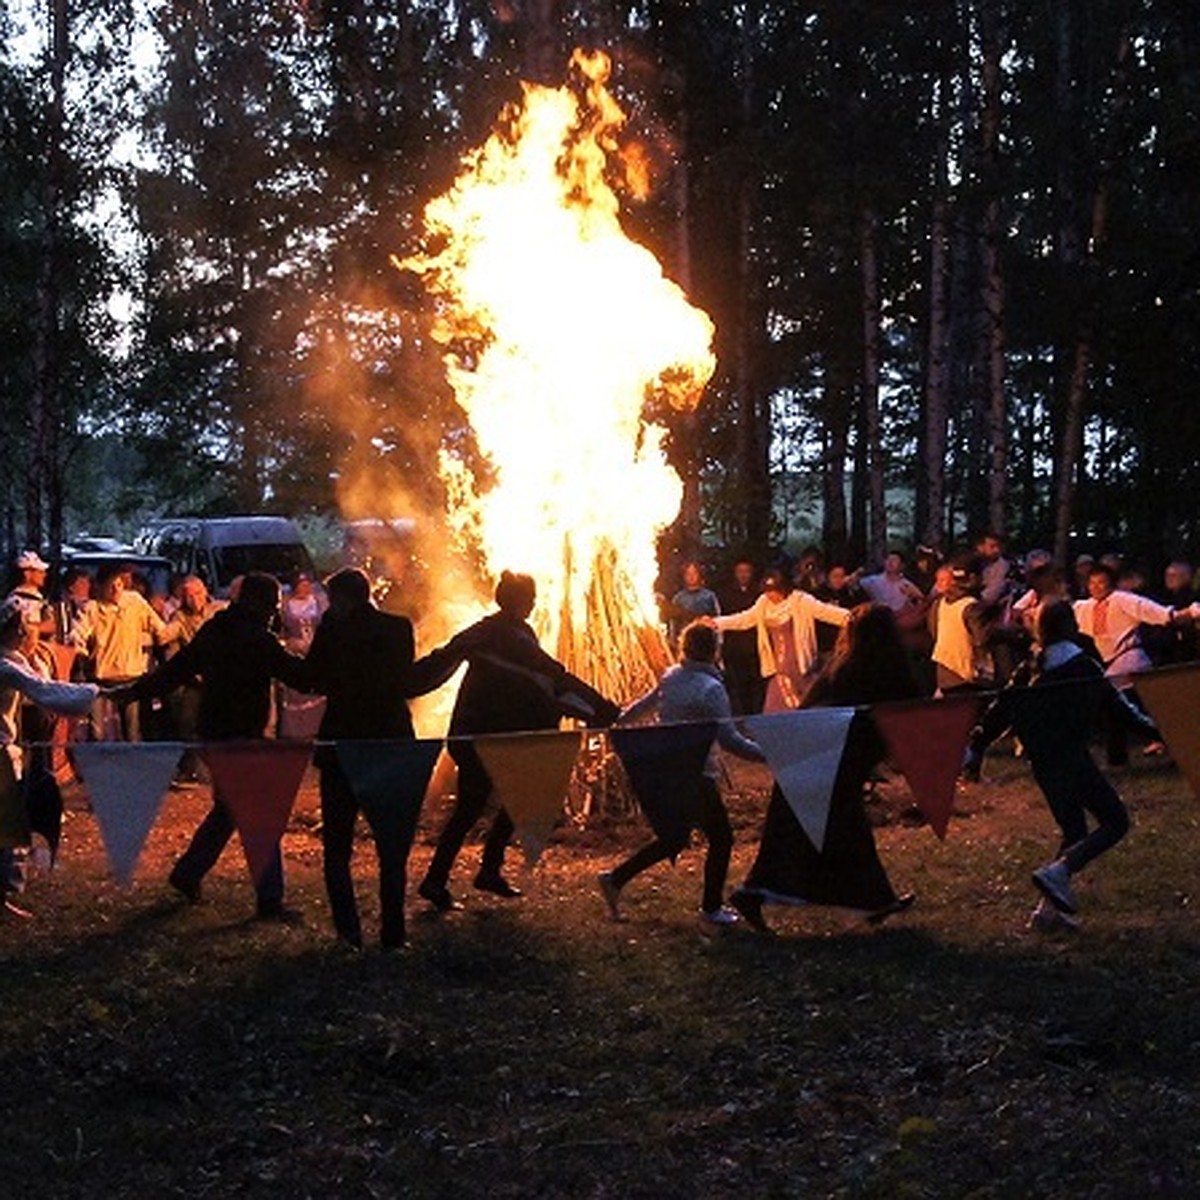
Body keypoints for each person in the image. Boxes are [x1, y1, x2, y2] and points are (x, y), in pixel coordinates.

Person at [111, 572, 310, 920]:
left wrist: (136, 691)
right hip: (242, 738)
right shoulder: (257, 639)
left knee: (228, 811)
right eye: (273, 605)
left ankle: (187, 874)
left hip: (215, 734)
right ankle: (270, 901)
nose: (274, 613)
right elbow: (300, 676)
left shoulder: (216, 630)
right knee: (260, 815)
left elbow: (175, 670)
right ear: (261, 603)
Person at [417, 571, 619, 912]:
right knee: (475, 807)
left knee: (508, 800)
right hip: (482, 737)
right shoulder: (503, 636)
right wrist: (598, 705)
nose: (535, 603)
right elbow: (554, 675)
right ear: (515, 600)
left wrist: (587, 708)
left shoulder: (504, 632)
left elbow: (537, 684)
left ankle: (476, 873)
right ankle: (445, 879)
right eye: (530, 597)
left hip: (497, 735)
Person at [964, 600, 1156, 932]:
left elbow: (1001, 710)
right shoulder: (1083, 668)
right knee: (1115, 821)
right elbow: (1121, 710)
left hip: (1043, 762)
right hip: (1071, 758)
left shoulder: (1031, 667)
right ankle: (1059, 872)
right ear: (1071, 627)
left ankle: (1048, 911)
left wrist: (976, 745)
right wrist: (1161, 729)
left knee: (1074, 830)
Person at [728, 604, 920, 933]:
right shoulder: (881, 670)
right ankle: (753, 893)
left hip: (814, 757)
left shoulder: (842, 668)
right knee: (814, 832)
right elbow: (912, 709)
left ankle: (874, 900)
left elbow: (806, 708)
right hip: (826, 761)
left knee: (839, 831)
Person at [302, 567, 448, 950]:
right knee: (392, 844)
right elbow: (405, 680)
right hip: (390, 741)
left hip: (342, 744)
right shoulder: (398, 628)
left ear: (343, 600)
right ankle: (393, 932)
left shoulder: (334, 629)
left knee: (337, 846)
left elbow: (311, 676)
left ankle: (348, 932)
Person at [597, 621, 764, 927]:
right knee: (722, 838)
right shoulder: (712, 689)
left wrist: (616, 721)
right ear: (714, 651)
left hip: (670, 770)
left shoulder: (671, 677)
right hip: (698, 774)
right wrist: (767, 755)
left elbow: (642, 707)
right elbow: (729, 740)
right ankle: (711, 907)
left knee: (674, 838)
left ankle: (614, 879)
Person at [0, 598, 98, 920]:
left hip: (7, 750)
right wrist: (97, 695)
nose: (35, 635)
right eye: (30, 629)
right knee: (10, 825)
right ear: (18, 630)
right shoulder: (5, 665)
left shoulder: (12, 660)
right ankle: (6, 892)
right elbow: (45, 691)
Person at [1072, 562, 1189, 764]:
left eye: (1101, 582)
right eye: (1092, 583)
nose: (1096, 587)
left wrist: (1184, 614)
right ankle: (1126, 753)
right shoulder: (1083, 607)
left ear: (1111, 584)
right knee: (1121, 708)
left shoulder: (1123, 600)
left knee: (1117, 703)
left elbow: (1156, 613)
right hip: (1108, 663)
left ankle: (1157, 741)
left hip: (1130, 658)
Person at [712, 567, 850, 710]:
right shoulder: (763, 604)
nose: (771, 595)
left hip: (801, 666)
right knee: (775, 709)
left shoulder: (800, 601)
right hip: (779, 669)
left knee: (806, 709)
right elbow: (744, 619)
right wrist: (716, 623)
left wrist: (852, 617)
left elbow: (826, 612)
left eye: (774, 590)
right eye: (768, 591)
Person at [71, 562, 170, 740]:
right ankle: (101, 766)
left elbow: (160, 629)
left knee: (133, 732)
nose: (116, 590)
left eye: (119, 584)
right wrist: (81, 656)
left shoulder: (135, 602)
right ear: (100, 586)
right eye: (111, 585)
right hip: (101, 680)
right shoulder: (91, 609)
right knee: (97, 734)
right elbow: (76, 636)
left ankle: (132, 765)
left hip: (131, 677)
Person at [927, 557, 991, 694]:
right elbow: (982, 639)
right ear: (974, 577)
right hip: (967, 673)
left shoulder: (939, 603)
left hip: (944, 670)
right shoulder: (971, 605)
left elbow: (934, 631)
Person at [715, 558, 764, 717]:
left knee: (757, 686)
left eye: (747, 571)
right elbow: (728, 619)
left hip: (754, 647)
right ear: (735, 573)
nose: (743, 575)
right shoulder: (725, 594)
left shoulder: (760, 594)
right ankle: (741, 718)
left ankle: (756, 717)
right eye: (740, 571)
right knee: (738, 687)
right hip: (734, 648)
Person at [663, 560, 720, 644]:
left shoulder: (709, 596)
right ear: (684, 576)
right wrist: (673, 641)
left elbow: (717, 619)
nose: (691, 576)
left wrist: (718, 643)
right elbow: (673, 623)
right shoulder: (679, 598)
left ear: (699, 575)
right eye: (688, 574)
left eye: (694, 573)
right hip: (684, 641)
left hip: (706, 641)